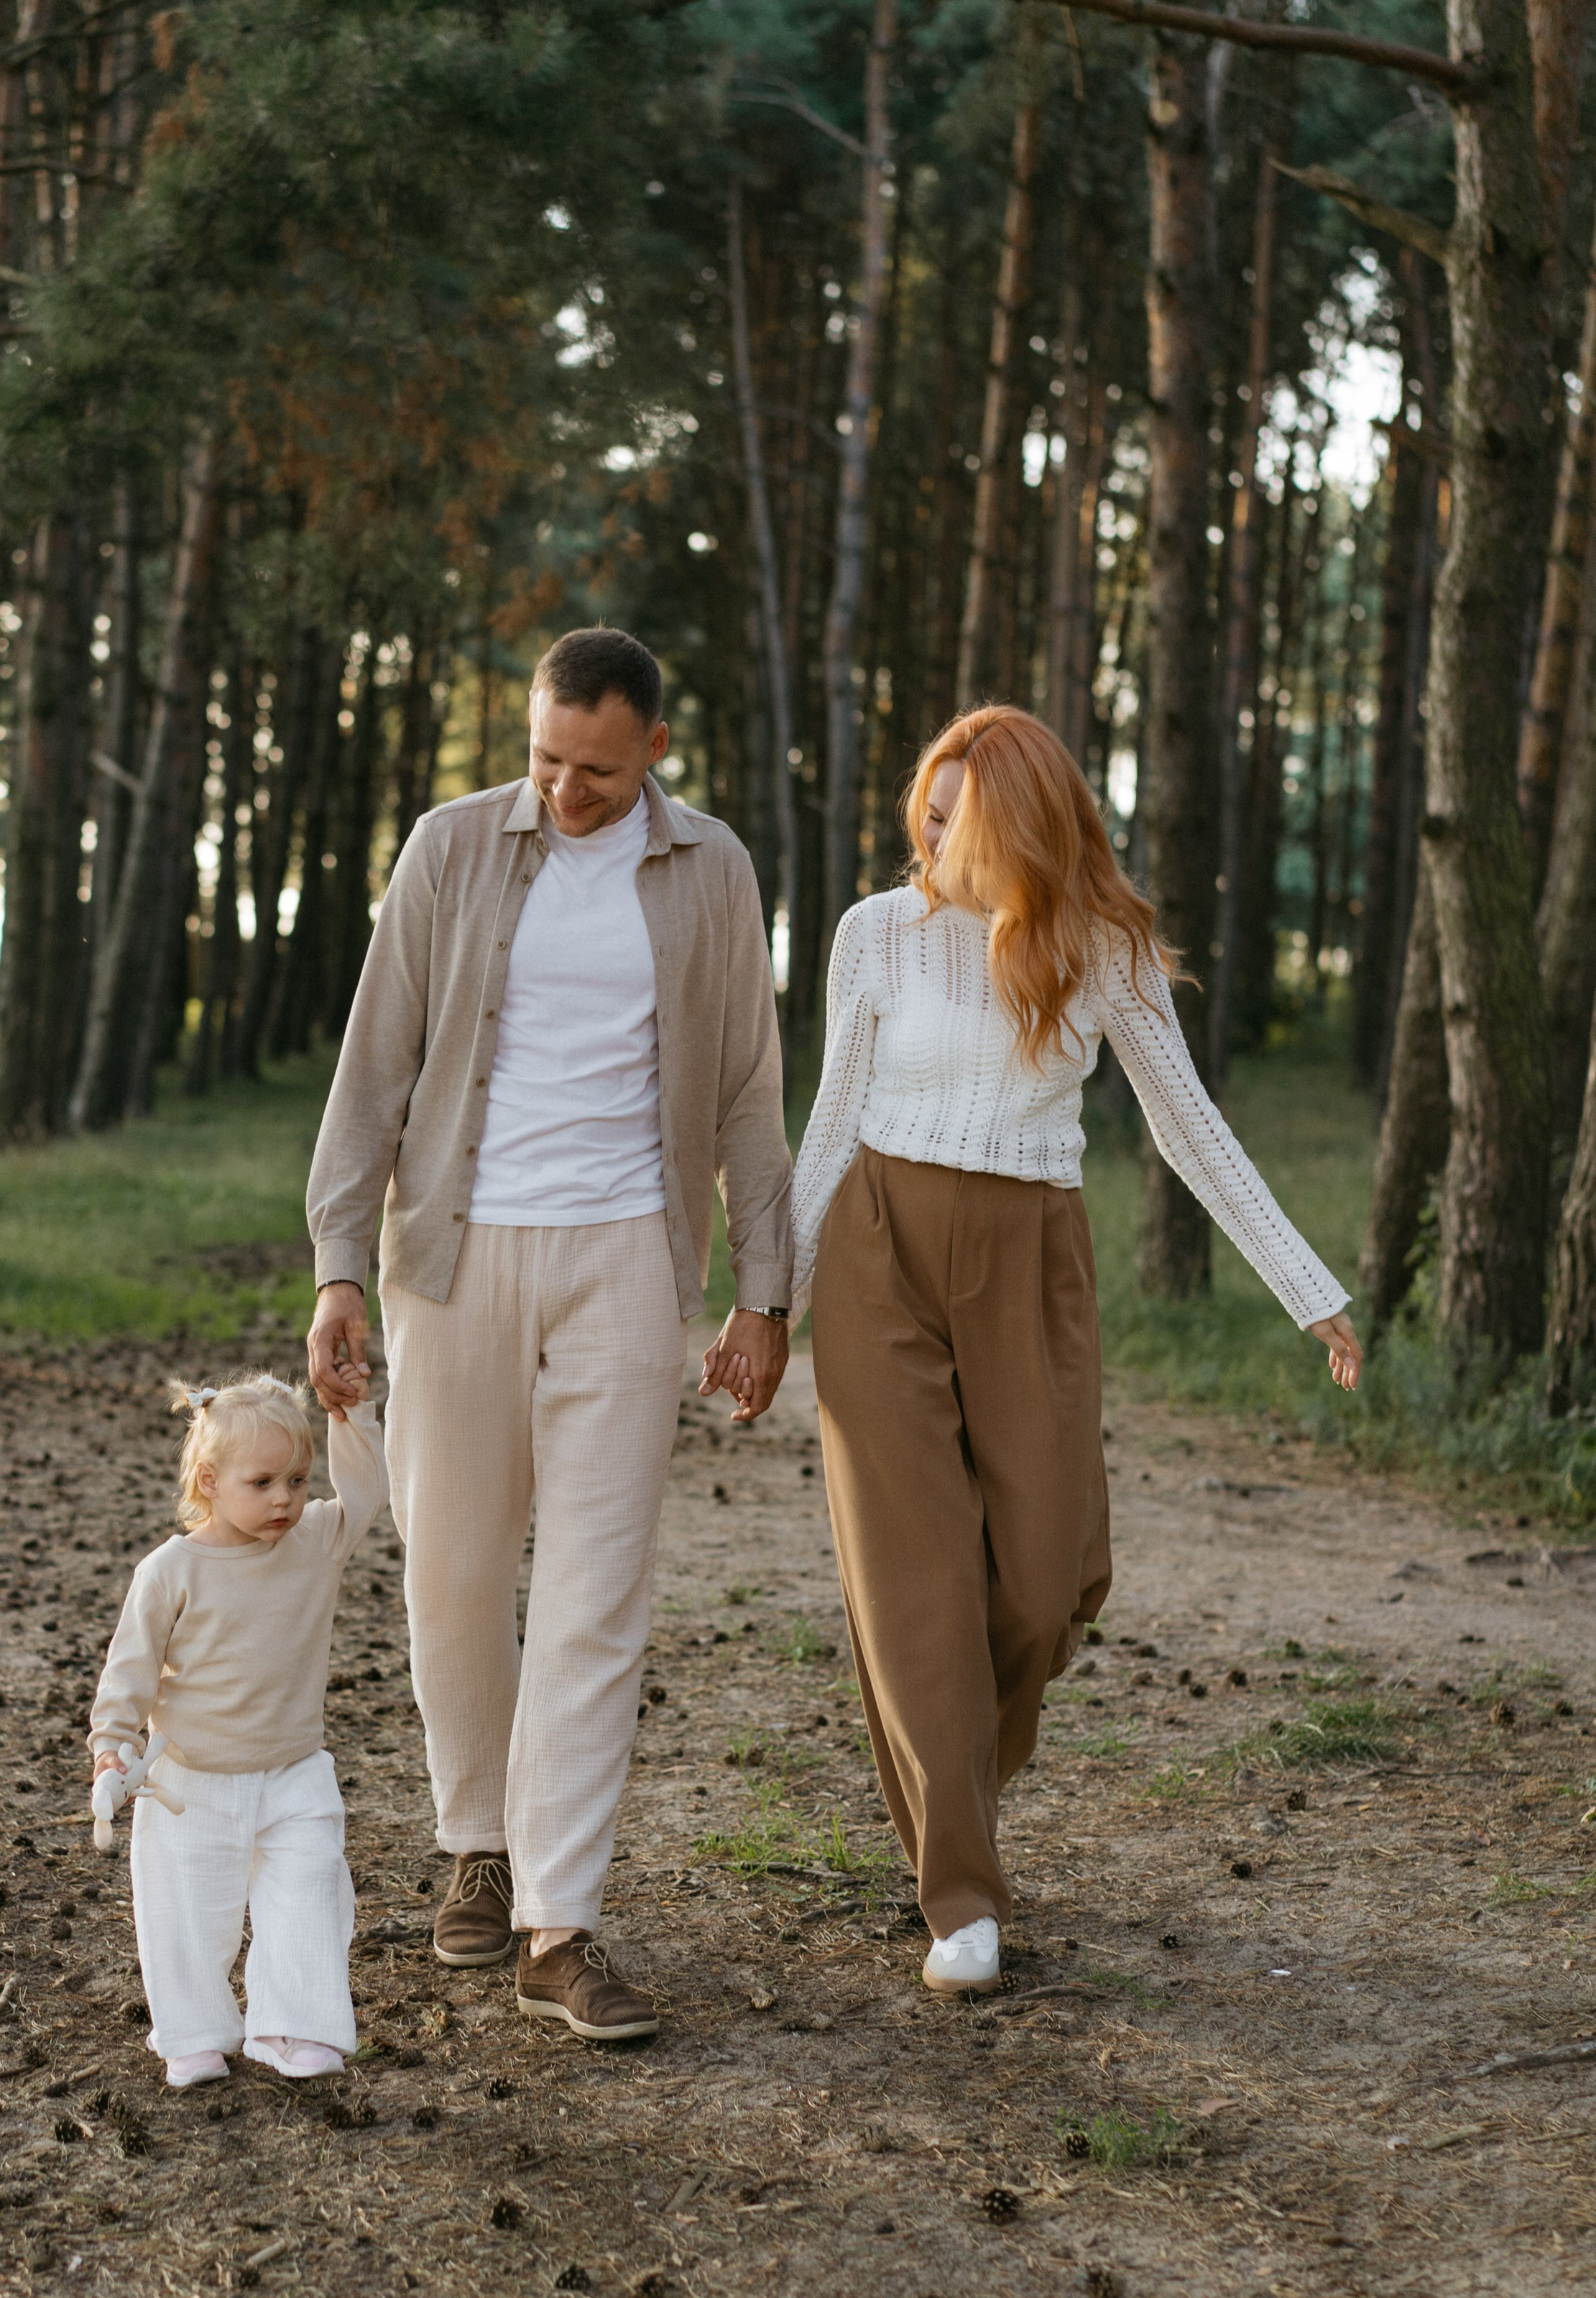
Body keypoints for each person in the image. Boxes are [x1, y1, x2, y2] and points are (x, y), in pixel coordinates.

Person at [792, 707, 1362, 1999]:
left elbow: (1190, 1130)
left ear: (1018, 825)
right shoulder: (874, 936)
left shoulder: (1099, 950)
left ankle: (957, 1785)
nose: (926, 838)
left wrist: (1306, 1289)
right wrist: (766, 1302)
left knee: (1045, 1586)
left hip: (1030, 1262)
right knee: (916, 1580)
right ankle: (963, 1896)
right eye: (921, 814)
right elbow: (828, 1123)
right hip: (880, 1250)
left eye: (955, 819)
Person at [305, 626, 793, 2045]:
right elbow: (371, 1062)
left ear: (652, 752)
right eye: (542, 761)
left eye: (592, 769)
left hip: (629, 1261)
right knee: (452, 1572)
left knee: (595, 1594)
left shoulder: (711, 874)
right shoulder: (453, 850)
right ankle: (476, 1845)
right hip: (454, 1255)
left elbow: (752, 1093)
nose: (563, 793)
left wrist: (763, 1290)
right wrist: (340, 1265)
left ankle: (557, 1924)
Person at [88, 1370, 389, 2089]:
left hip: (295, 1772)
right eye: (262, 1483)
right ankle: (194, 2033)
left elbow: (370, 1491)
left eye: (297, 1478)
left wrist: (348, 1415)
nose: (285, 1498)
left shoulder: (315, 1539)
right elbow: (129, 1674)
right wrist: (111, 1751)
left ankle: (291, 2025)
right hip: (191, 1781)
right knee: (188, 1913)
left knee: (309, 1896)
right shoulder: (169, 1572)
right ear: (209, 1479)